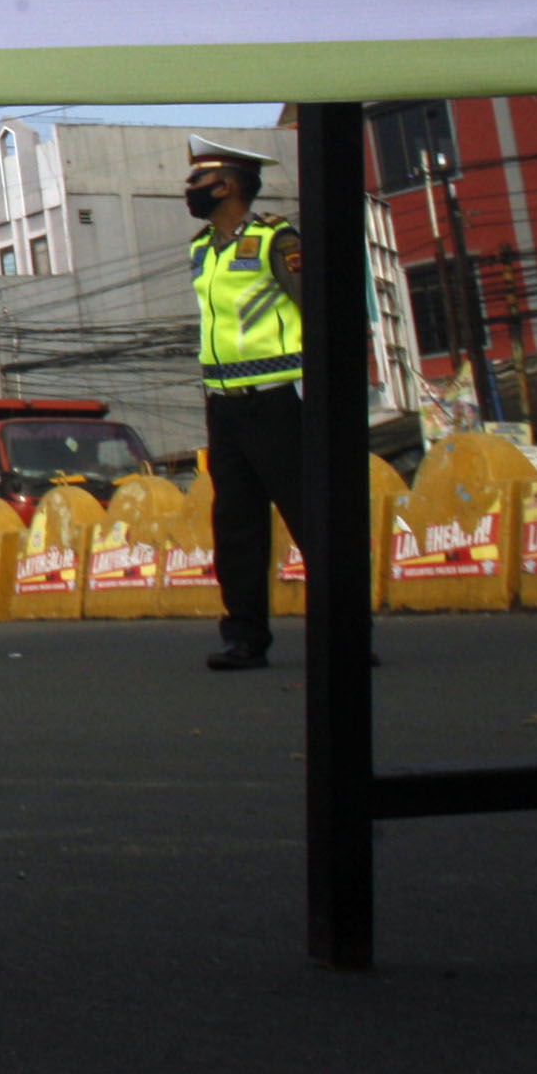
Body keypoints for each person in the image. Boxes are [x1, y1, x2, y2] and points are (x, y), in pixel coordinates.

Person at [187, 137, 307, 672]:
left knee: (311, 519)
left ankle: (347, 633)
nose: (189, 190)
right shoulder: (201, 248)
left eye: (197, 181)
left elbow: (315, 305)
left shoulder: (276, 239)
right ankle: (244, 638)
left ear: (228, 185)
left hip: (278, 401)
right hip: (224, 407)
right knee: (235, 526)